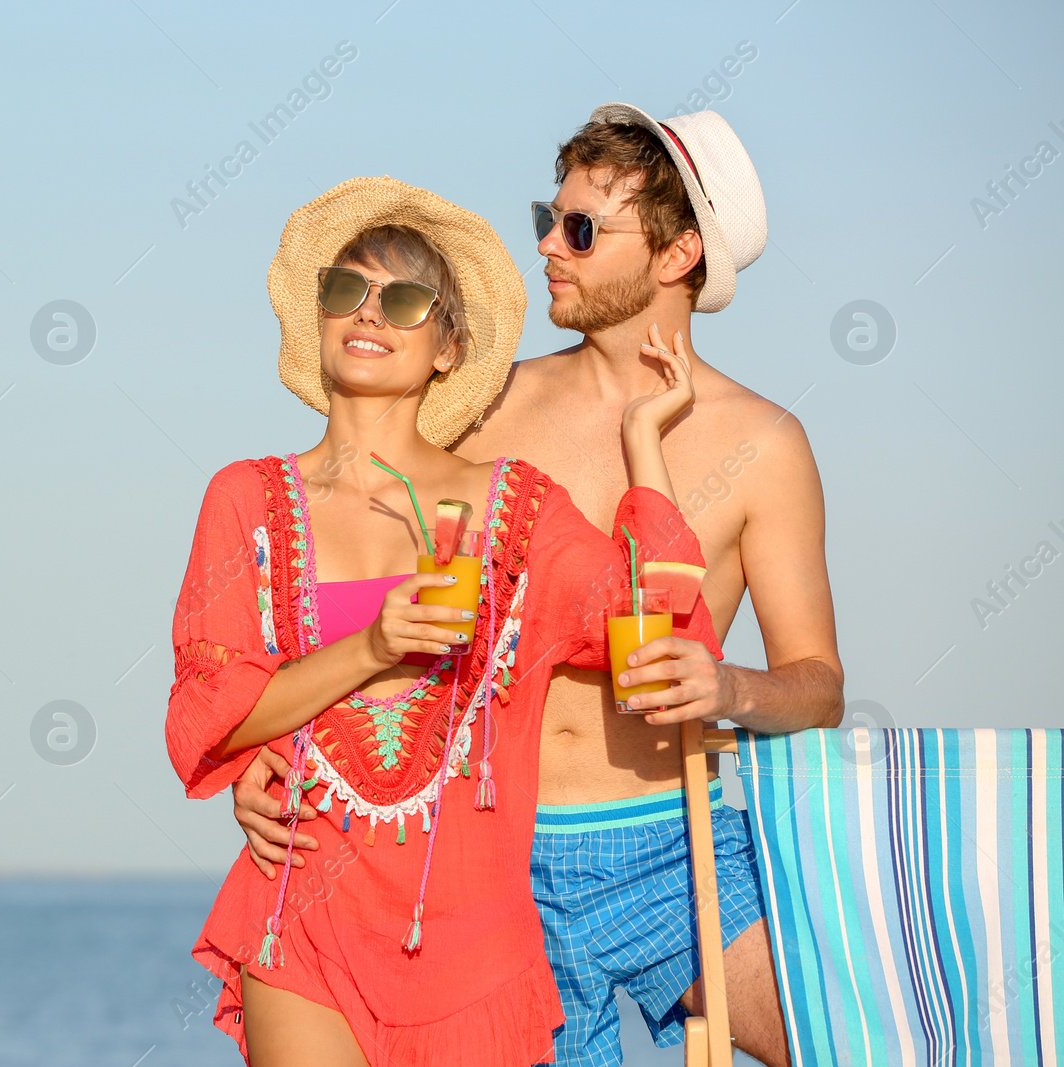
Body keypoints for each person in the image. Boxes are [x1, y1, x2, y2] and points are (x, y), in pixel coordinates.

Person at [228, 107, 844, 1066]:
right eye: (548, 219)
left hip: (667, 847)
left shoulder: (763, 445)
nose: (550, 247)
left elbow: (820, 683)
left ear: (680, 254)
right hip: (487, 856)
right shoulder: (480, 411)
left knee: (846, 1038)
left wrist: (732, 690)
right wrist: (275, 750)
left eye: (584, 230)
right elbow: (364, 592)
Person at [165, 175, 722, 1067]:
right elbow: (213, 709)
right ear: (319, 317)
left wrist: (643, 439)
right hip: (300, 908)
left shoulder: (515, 513)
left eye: (406, 298)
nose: (370, 312)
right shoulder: (249, 503)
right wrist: (373, 645)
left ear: (449, 347)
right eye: (347, 289)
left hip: (472, 935)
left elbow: (651, 618)